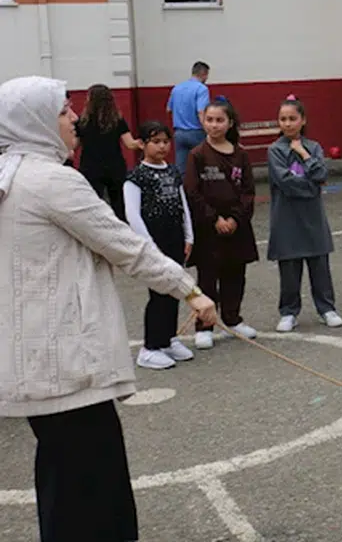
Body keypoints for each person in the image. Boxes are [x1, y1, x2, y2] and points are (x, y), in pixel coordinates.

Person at [0, 76, 215, 542]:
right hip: (67, 363)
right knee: (97, 490)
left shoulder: (10, 176)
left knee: (62, 478)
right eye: (62, 110)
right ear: (34, 120)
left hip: (39, 361)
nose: (74, 117)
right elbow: (126, 245)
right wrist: (190, 290)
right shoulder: (52, 181)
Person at [184, 97, 260, 349]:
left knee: (235, 274)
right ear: (203, 122)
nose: (214, 125)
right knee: (207, 277)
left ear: (229, 123)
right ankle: (204, 325)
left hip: (236, 228)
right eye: (209, 120)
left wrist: (236, 219)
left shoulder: (240, 155)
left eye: (219, 120)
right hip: (209, 228)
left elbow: (248, 191)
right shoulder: (197, 155)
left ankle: (232, 319)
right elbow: (192, 192)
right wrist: (214, 219)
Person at [125, 122, 197, 371]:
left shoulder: (173, 172)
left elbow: (182, 204)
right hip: (154, 244)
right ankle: (150, 347)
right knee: (158, 294)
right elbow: (133, 215)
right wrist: (149, 246)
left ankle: (168, 339)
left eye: (166, 141)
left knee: (174, 288)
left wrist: (189, 236)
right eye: (156, 141)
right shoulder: (136, 177)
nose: (162, 146)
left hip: (175, 239)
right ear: (142, 144)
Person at [268, 96, 342, 333]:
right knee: (289, 267)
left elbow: (321, 174)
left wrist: (304, 154)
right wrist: (311, 187)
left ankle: (326, 308)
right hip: (286, 217)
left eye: (292, 118)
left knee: (319, 264)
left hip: (312, 217)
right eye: (283, 119)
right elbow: (285, 181)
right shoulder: (275, 150)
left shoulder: (314, 147)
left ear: (303, 120)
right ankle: (289, 311)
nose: (288, 123)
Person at [76, 83, 142, 221]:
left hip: (90, 166)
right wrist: (143, 143)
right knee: (119, 206)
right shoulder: (117, 120)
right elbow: (130, 144)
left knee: (93, 204)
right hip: (114, 166)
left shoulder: (82, 121)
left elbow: (75, 145)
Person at [167, 60, 211, 174]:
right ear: (204, 74)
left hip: (179, 133)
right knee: (202, 167)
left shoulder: (176, 88)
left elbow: (168, 109)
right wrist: (208, 130)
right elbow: (201, 112)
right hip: (196, 132)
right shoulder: (202, 89)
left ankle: (182, 190)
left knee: (181, 169)